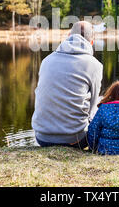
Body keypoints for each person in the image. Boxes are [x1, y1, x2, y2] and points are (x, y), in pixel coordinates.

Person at [31, 21, 103, 149]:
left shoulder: (46, 60)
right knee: (102, 107)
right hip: (76, 139)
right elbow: (93, 109)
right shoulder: (95, 65)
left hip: (42, 137)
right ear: (91, 42)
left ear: (68, 36)